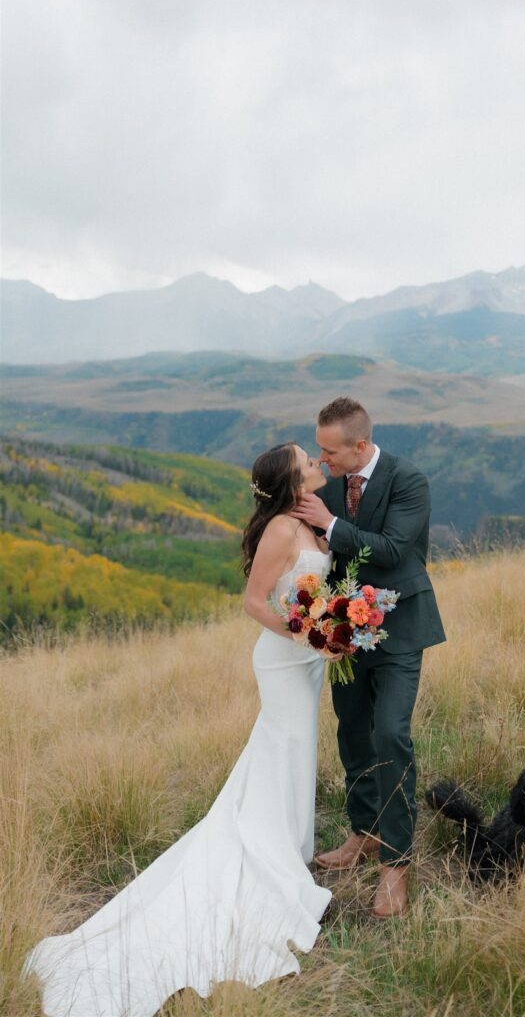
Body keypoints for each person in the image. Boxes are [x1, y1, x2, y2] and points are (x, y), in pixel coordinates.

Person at [22, 443, 333, 1017]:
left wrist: (329, 625)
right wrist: (305, 634)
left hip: (309, 660)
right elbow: (252, 601)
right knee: (284, 747)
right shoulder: (282, 532)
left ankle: (288, 846)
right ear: (292, 481)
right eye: (306, 459)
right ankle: (273, 857)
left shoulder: (312, 519)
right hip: (286, 659)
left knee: (292, 753)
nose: (316, 459)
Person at [291, 397, 446, 919]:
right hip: (345, 633)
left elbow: (393, 550)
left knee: (390, 735)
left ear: (360, 445)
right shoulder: (327, 482)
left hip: (401, 631)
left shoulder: (409, 481)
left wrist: (331, 525)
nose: (322, 459)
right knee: (352, 731)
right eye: (318, 449)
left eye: (329, 451)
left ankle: (396, 867)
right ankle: (364, 833)